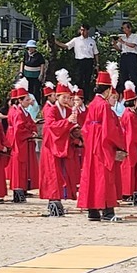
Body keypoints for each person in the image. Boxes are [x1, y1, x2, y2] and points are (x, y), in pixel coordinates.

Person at [77, 62, 127, 221]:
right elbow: (110, 129)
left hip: (91, 144)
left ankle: (92, 210)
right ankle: (107, 211)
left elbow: (85, 127)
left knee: (91, 177)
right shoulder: (104, 106)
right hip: (102, 145)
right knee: (104, 177)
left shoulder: (92, 104)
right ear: (107, 90)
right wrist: (120, 145)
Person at [39, 70, 80, 212]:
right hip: (52, 146)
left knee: (62, 173)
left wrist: (76, 133)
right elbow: (51, 127)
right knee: (53, 174)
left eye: (68, 97)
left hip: (62, 145)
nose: (67, 100)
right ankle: (53, 200)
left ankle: (60, 199)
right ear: (57, 96)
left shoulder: (67, 111)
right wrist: (67, 122)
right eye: (64, 97)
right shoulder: (51, 110)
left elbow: (69, 128)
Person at [55, 23, 99, 102]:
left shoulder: (91, 41)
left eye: (84, 30)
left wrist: (97, 64)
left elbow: (95, 53)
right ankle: (78, 97)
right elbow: (66, 46)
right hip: (79, 61)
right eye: (81, 30)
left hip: (89, 61)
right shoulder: (76, 40)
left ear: (87, 31)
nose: (82, 32)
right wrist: (56, 42)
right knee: (79, 80)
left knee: (87, 80)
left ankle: (86, 99)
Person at [120, 81, 137, 201]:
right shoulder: (130, 115)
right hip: (130, 145)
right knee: (129, 169)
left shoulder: (128, 114)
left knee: (130, 169)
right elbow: (132, 134)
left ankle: (132, 191)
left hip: (129, 144)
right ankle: (128, 192)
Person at [114, 21, 137, 99]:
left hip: (132, 56)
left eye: (125, 28)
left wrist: (123, 42)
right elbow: (119, 48)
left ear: (130, 28)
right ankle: (124, 95)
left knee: (133, 76)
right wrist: (114, 43)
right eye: (123, 28)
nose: (124, 29)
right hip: (124, 56)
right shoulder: (122, 37)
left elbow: (133, 45)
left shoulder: (134, 36)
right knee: (123, 76)